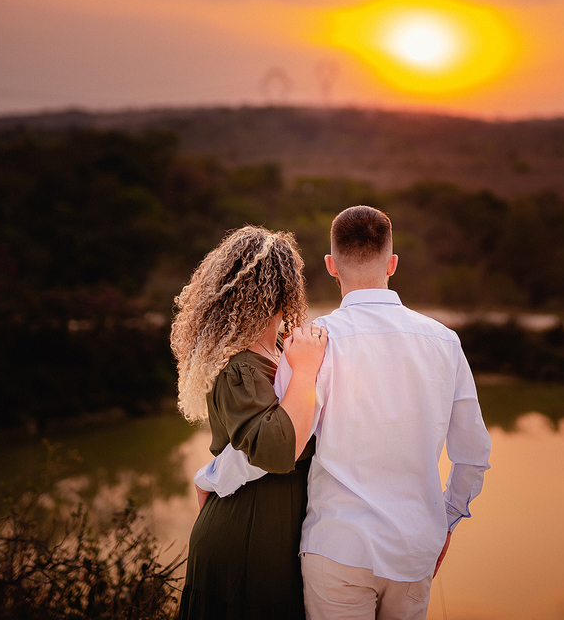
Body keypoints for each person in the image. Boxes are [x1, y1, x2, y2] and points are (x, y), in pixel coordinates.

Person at [195, 206, 492, 620]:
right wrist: (445, 522)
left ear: (331, 266)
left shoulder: (312, 343)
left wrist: (211, 478)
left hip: (338, 548)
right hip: (415, 548)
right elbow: (473, 456)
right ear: (392, 263)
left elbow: (281, 442)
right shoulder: (445, 342)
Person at [170, 225, 328, 620]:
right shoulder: (239, 365)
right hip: (247, 541)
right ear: (283, 290)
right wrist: (306, 372)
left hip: (279, 539)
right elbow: (275, 448)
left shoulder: (278, 353)